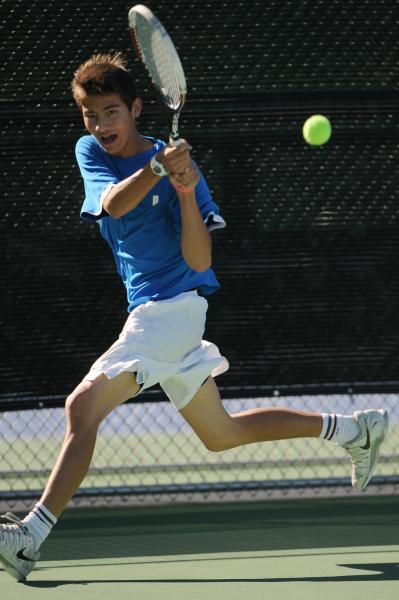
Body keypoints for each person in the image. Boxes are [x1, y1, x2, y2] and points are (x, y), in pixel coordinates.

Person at [0, 52, 389, 582]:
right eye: (91, 114)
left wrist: (184, 188)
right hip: (158, 313)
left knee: (81, 407)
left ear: (136, 108)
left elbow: (201, 260)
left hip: (172, 310)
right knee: (221, 433)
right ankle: (352, 429)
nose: (101, 124)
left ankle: (30, 536)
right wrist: (158, 168)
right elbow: (113, 205)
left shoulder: (180, 166)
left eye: (111, 112)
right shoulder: (90, 150)